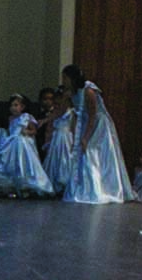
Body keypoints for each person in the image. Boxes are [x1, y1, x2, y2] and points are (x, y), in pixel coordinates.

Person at [61, 64, 132, 204]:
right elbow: (75, 114)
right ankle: (84, 187)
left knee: (91, 151)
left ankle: (98, 188)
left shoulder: (88, 91)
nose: (63, 80)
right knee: (82, 153)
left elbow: (93, 116)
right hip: (84, 122)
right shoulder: (72, 93)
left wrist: (86, 137)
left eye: (65, 78)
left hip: (97, 125)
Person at [0, 93, 54, 198]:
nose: (13, 108)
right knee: (10, 164)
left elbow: (34, 131)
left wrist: (26, 131)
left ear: (22, 107)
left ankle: (26, 187)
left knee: (23, 164)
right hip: (12, 144)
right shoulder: (11, 118)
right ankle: (13, 187)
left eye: (16, 105)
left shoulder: (26, 117)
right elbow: (11, 131)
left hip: (22, 144)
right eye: (12, 105)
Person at [42, 86, 75, 195]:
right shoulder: (54, 114)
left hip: (66, 137)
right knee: (55, 159)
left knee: (65, 158)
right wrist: (47, 141)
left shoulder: (71, 112)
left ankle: (65, 184)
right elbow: (50, 127)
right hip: (56, 137)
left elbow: (73, 127)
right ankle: (54, 185)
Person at [34, 86, 55, 158]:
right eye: (45, 99)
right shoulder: (36, 112)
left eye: (51, 99)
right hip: (39, 141)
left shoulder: (56, 113)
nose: (48, 102)